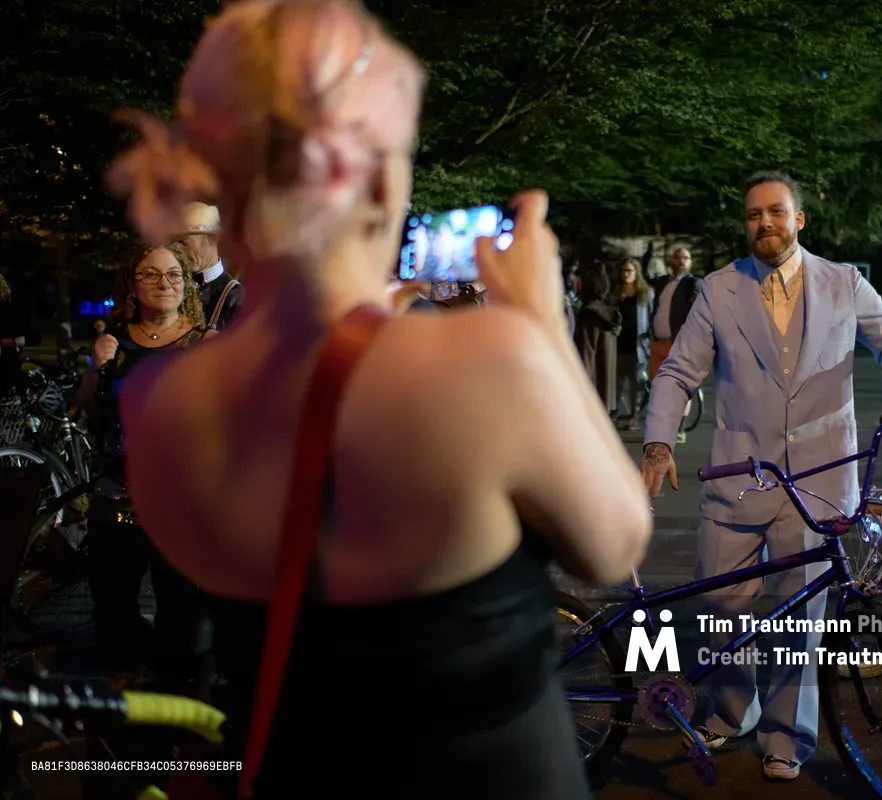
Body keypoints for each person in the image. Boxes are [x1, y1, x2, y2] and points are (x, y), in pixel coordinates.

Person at [103, 1, 652, 796]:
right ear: (381, 174)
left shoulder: (161, 406)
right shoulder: (485, 362)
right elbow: (613, 544)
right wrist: (539, 322)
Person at [640, 170, 882, 781]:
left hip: (819, 479)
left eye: (775, 212)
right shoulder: (718, 290)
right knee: (723, 603)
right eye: (752, 215)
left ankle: (785, 735)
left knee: (799, 619)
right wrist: (659, 442)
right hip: (740, 476)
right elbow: (675, 374)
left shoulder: (845, 283)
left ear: (799, 219)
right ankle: (730, 708)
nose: (763, 224)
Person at [74, 243, 212, 683]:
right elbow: (89, 412)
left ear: (186, 284)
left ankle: (177, 705)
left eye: (174, 274)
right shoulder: (113, 342)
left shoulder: (205, 343)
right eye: (150, 274)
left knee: (182, 610)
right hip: (115, 496)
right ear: (132, 283)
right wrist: (95, 367)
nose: (164, 283)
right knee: (113, 606)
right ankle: (124, 700)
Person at [648, 245, 701, 443]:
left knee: (680, 388)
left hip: (679, 344)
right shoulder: (663, 282)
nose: (681, 261)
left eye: (685, 258)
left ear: (690, 262)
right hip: (658, 342)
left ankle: (679, 428)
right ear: (671, 261)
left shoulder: (693, 283)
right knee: (657, 386)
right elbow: (645, 277)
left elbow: (697, 312)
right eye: (677, 257)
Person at [174, 202, 244, 331]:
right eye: (174, 243)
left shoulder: (235, 299)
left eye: (183, 242)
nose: (177, 249)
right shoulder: (171, 289)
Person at [573, 265, 622, 417]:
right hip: (606, 390)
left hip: (592, 391)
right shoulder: (609, 310)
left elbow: (587, 354)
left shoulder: (591, 315)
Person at [613, 258, 653, 430]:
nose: (626, 274)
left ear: (636, 273)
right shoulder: (616, 293)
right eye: (623, 271)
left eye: (629, 270)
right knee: (617, 383)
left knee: (635, 383)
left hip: (638, 345)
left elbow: (652, 317)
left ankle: (633, 416)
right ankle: (613, 413)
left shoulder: (646, 294)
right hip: (618, 344)